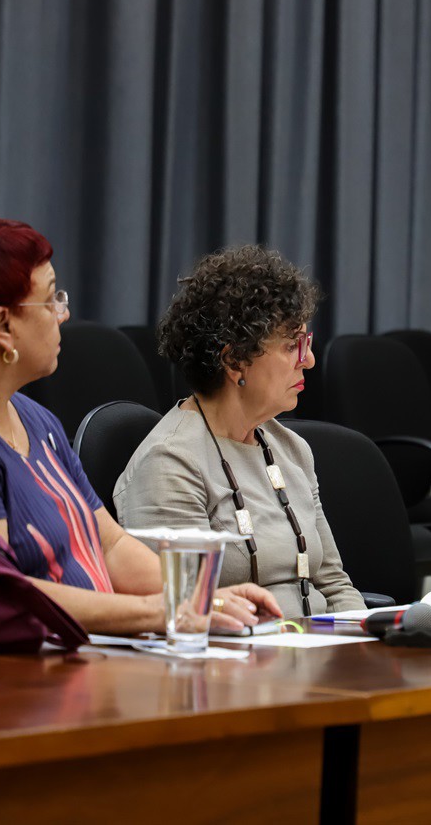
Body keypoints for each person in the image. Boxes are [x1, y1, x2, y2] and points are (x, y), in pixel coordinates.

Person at [0, 217, 281, 643]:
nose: (62, 313)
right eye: (50, 299)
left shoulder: (30, 417)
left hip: (55, 666)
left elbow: (109, 546)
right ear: (3, 325)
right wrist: (163, 613)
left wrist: (200, 599)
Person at [115, 245, 364, 618]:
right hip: (236, 663)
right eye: (291, 345)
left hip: (317, 656)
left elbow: (333, 584)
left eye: (306, 344)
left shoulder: (291, 449)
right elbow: (187, 611)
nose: (308, 360)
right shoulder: (170, 462)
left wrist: (362, 644)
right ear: (234, 360)